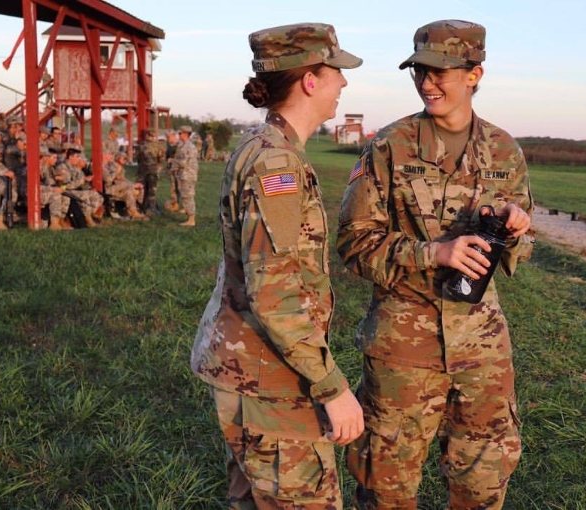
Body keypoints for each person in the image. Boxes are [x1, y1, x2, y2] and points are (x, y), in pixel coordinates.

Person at [337, 20, 535, 509]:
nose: (427, 82)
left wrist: (514, 231)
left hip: (482, 351)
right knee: (385, 486)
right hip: (403, 350)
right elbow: (353, 242)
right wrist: (434, 253)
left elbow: (520, 251)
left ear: (475, 74)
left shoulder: (504, 150)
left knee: (483, 482)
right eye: (419, 71)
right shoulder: (390, 145)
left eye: (440, 71)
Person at [190, 22, 363, 509]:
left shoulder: (260, 145)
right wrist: (332, 388)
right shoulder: (276, 163)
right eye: (336, 73)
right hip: (271, 381)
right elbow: (274, 294)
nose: (343, 84)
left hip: (248, 371)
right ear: (310, 80)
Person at [170, 125, 199, 227]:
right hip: (184, 174)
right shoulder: (183, 145)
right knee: (186, 196)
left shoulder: (188, 147)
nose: (179, 135)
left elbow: (183, 162)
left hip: (187, 175)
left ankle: (191, 220)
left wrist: (173, 162)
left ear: (185, 134)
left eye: (180, 133)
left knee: (188, 196)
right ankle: (189, 215)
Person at [136, 129, 165, 215]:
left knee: (141, 189)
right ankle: (151, 207)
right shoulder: (159, 146)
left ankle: (140, 206)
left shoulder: (140, 145)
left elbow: (137, 158)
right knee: (152, 189)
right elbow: (161, 159)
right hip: (153, 170)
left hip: (142, 170)